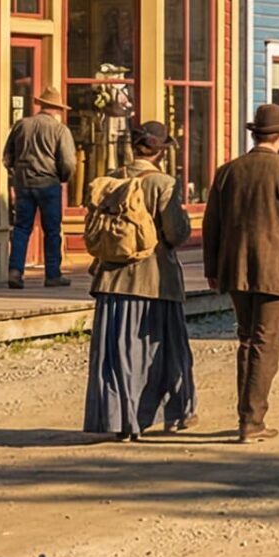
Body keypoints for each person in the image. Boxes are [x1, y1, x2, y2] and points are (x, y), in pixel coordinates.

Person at [202, 104, 279, 444]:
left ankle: (247, 413)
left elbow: (211, 224)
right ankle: (252, 420)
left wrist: (211, 268)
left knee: (247, 339)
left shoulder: (227, 172)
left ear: (254, 134)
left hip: (236, 267)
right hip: (275, 269)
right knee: (265, 343)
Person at [84, 121, 194, 441]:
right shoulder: (162, 183)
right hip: (155, 282)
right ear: (160, 151)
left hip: (111, 281)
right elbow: (176, 233)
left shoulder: (110, 181)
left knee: (115, 356)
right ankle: (164, 415)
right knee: (159, 353)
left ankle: (118, 421)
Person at [3, 88, 79, 289]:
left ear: (41, 105)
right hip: (48, 184)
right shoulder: (60, 130)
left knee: (21, 228)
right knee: (52, 231)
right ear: (57, 109)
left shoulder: (21, 125)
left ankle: (15, 271)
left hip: (24, 184)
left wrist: (16, 174)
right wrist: (62, 177)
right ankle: (52, 274)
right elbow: (69, 162)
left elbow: (7, 157)